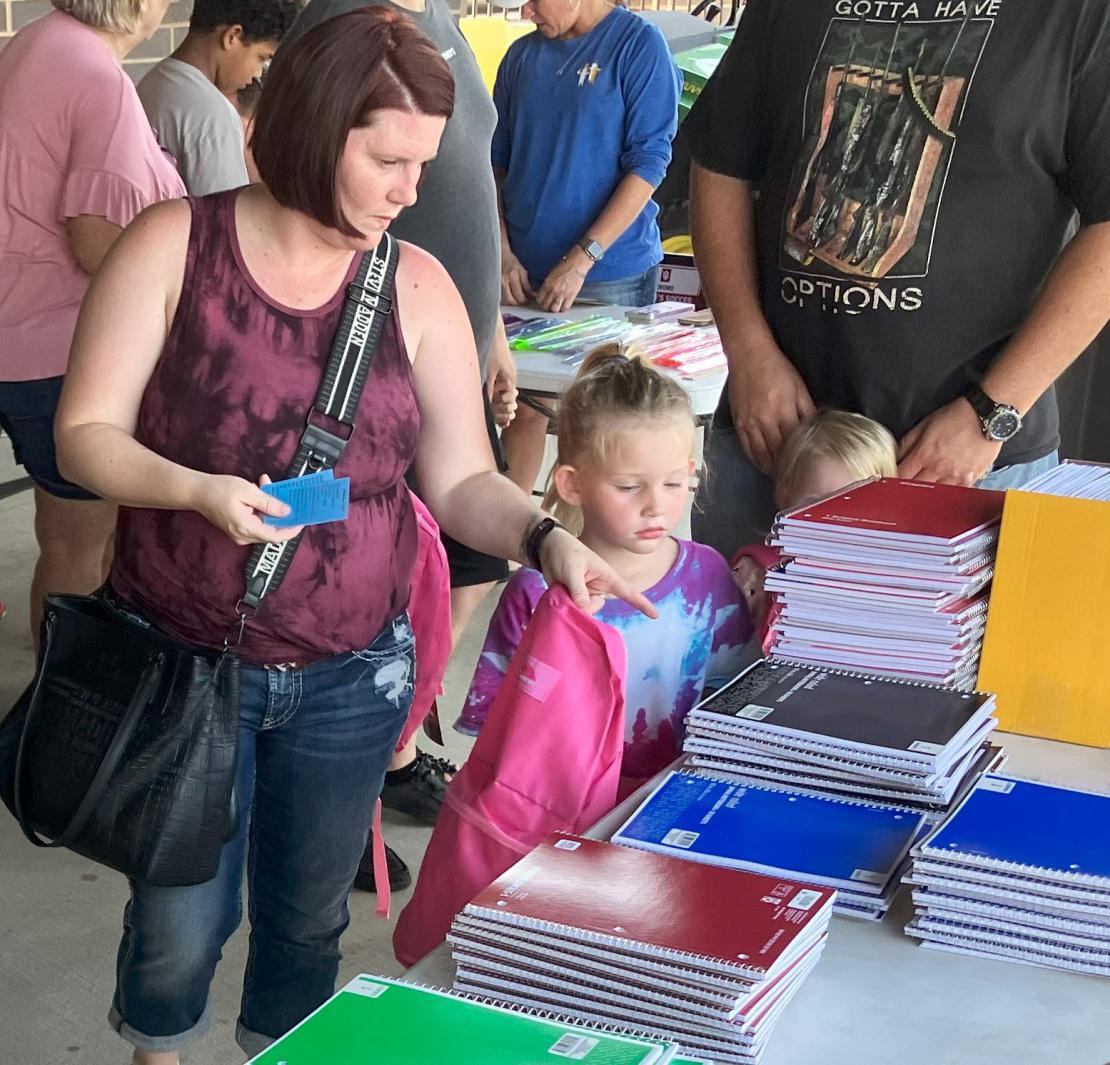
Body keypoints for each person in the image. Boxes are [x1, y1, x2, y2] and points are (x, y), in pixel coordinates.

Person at [53, 11, 653, 1062]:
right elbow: (85, 435)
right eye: (387, 159)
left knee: (310, 918)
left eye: (423, 162)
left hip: (352, 674)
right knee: (178, 915)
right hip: (191, 660)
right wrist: (193, 490)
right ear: (312, 128)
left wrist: (546, 539)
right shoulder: (173, 247)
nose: (409, 188)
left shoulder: (414, 285)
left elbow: (464, 480)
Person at [683, 0, 1110, 561]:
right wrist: (749, 352)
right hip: (775, 441)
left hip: (968, 459)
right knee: (740, 646)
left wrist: (992, 411)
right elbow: (720, 165)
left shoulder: (1096, 11)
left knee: (968, 652)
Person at [272, 0, 521, 889]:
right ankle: (338, 789)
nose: (406, 182)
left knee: (452, 576)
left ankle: (386, 749)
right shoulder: (340, 22)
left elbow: (466, 172)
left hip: (443, 337)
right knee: (335, 574)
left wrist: (485, 328)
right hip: (356, 375)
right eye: (388, 162)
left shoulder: (443, 17)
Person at [456, 345, 758, 794]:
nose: (657, 505)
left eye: (675, 482)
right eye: (629, 486)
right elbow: (498, 726)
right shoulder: (536, 592)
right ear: (572, 483)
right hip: (557, 809)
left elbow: (736, 694)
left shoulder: (708, 575)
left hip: (669, 801)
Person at [0, 0, 185, 646]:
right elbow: (95, 239)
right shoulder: (97, 77)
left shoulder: (37, 41)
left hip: (22, 339)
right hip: (62, 349)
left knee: (64, 542)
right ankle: (68, 720)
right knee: (85, 547)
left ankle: (58, 700)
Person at [490, 0, 682, 496]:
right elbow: (495, 166)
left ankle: (595, 548)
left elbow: (650, 164)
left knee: (604, 427)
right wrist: (503, 253)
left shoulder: (638, 45)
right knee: (523, 409)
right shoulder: (520, 57)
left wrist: (583, 257)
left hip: (609, 273)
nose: (526, 11)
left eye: (534, 0)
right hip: (523, 272)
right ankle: (518, 544)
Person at [731, 409, 898, 638]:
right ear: (786, 499)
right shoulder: (758, 575)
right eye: (817, 506)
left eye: (855, 506)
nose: (836, 524)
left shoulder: (896, 574)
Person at [137, 0, 298, 196]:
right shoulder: (214, 116)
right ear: (232, 36)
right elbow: (223, 221)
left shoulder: (150, 83)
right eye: (262, 57)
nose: (257, 73)